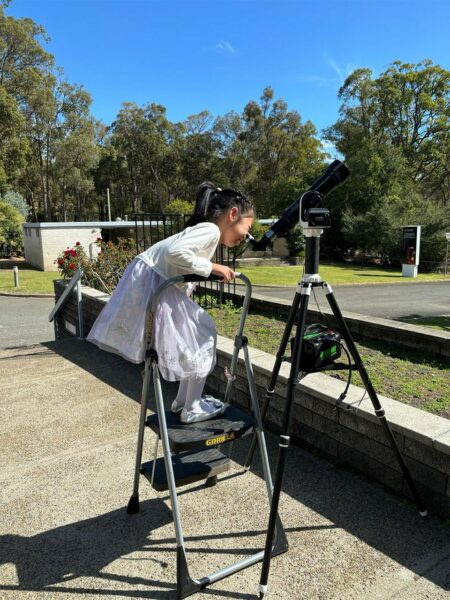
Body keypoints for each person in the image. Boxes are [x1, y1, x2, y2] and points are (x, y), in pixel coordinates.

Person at [87, 182, 255, 424]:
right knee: (204, 335)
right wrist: (212, 267)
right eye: (246, 229)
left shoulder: (205, 231)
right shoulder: (210, 230)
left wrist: (208, 272)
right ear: (233, 214)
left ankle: (183, 402)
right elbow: (174, 254)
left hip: (152, 283)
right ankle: (193, 405)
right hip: (155, 285)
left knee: (194, 337)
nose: (245, 237)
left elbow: (178, 262)